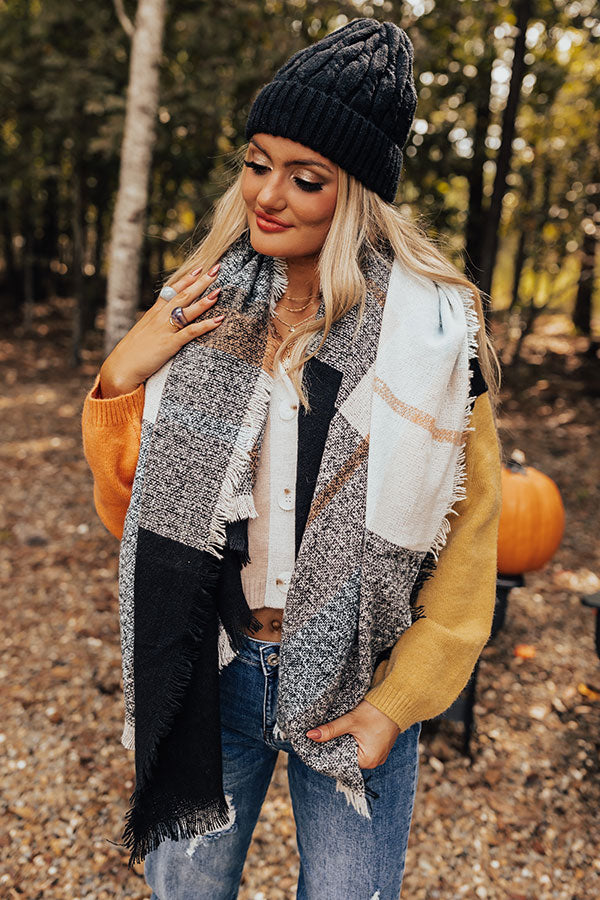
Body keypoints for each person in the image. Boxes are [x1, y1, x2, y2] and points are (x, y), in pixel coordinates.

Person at [82, 18, 502, 900]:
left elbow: (470, 552)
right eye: (256, 163)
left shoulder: (430, 342)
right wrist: (122, 374)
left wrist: (397, 704)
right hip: (214, 671)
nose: (268, 195)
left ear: (357, 195)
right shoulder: (202, 310)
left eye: (306, 178)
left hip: (358, 685)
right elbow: (128, 516)